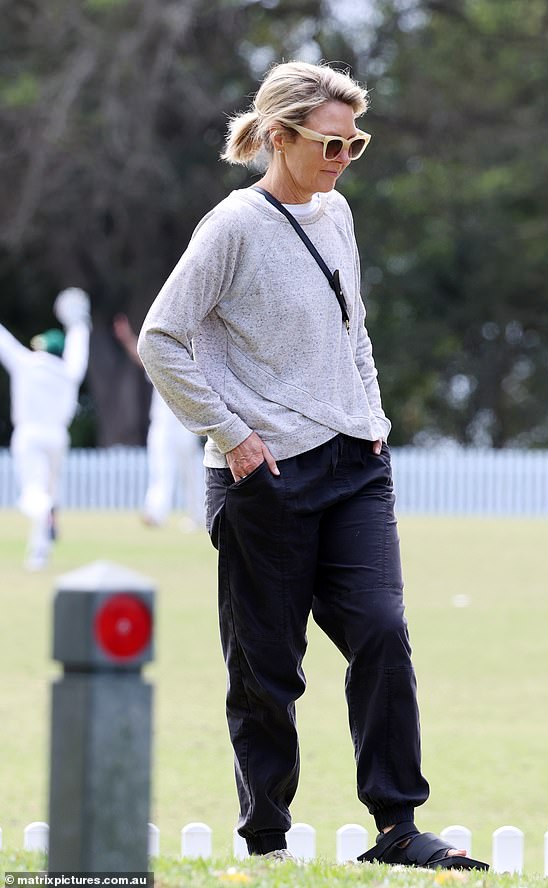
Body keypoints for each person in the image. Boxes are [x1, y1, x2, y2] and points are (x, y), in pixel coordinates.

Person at [138, 61, 488, 870]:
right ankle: (266, 841)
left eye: (356, 142)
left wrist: (373, 417)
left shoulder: (338, 214)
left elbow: (351, 329)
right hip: (266, 478)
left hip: (356, 465)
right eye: (333, 142)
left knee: (382, 631)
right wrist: (232, 435)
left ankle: (398, 828)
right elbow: (162, 338)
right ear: (279, 136)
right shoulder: (231, 227)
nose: (345, 156)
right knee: (267, 668)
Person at [0, 287, 91, 570]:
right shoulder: (69, 371)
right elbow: (79, 346)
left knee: (32, 496)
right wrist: (79, 323)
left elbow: (3, 342)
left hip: (29, 436)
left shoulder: (26, 363)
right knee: (48, 490)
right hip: (57, 438)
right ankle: (39, 551)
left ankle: (46, 510)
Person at [113, 313, 204, 530]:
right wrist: (127, 339)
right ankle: (155, 513)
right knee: (161, 470)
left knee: (190, 473)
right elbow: (142, 355)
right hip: (164, 424)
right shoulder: (162, 357)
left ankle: (199, 516)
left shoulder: (192, 360)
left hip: (184, 425)